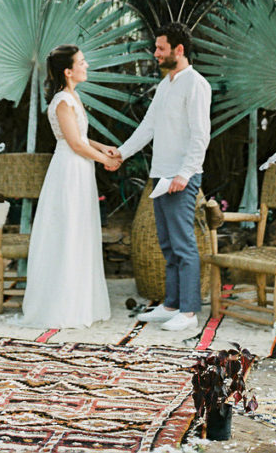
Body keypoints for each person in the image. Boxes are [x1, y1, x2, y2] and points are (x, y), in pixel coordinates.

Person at [110, 22, 211, 334]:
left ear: (179, 50)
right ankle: (170, 305)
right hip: (160, 175)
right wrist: (121, 154)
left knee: (183, 246)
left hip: (182, 178)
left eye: (160, 48)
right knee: (167, 244)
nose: (155, 54)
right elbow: (148, 126)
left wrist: (184, 173)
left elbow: (200, 135)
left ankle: (189, 311)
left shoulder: (196, 84)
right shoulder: (166, 84)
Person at [20, 44, 117, 327]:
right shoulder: (62, 100)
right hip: (69, 170)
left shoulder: (72, 96)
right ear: (68, 71)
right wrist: (104, 161)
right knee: (69, 231)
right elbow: (74, 143)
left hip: (80, 166)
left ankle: (81, 301)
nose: (86, 66)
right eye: (82, 62)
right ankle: (63, 305)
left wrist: (105, 148)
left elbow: (82, 137)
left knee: (81, 230)